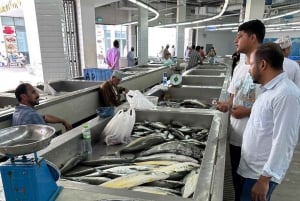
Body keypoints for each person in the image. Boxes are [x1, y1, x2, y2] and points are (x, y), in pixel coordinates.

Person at [238, 43, 300, 201]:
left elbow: (284, 141)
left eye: (251, 64)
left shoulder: (286, 94)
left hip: (260, 175)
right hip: (250, 170)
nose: (249, 69)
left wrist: (265, 178)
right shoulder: (269, 90)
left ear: (263, 64)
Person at [216, 19, 265, 201]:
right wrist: (226, 106)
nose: (236, 41)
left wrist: (247, 112)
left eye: (240, 36)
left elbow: (272, 105)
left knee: (252, 190)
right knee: (237, 185)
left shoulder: (264, 66)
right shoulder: (239, 67)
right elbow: (232, 97)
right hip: (236, 137)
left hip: (256, 141)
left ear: (252, 38)